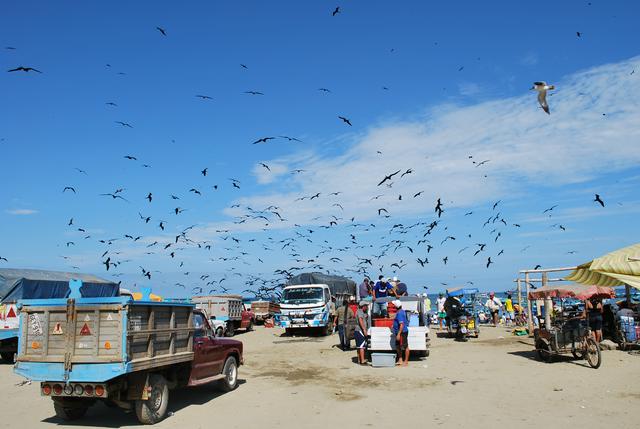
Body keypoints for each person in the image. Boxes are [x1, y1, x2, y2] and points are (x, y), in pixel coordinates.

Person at [392, 300, 410, 366]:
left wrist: (399, 334)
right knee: (398, 346)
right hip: (400, 332)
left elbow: (401, 324)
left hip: (402, 332)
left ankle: (406, 361)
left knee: (405, 346)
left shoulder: (399, 313)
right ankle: (400, 359)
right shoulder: (401, 311)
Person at [354, 301, 370, 365]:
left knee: (359, 346)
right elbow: (360, 320)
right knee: (361, 346)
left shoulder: (361, 312)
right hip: (360, 330)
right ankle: (362, 360)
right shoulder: (360, 311)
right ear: (363, 306)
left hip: (358, 331)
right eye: (366, 306)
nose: (367, 307)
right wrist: (364, 330)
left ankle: (359, 359)